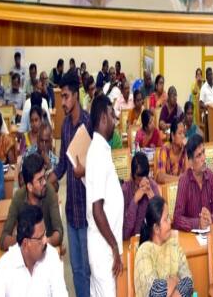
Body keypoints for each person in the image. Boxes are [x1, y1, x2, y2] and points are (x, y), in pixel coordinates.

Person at [49, 71, 90, 297]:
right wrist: (47, 180)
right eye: (61, 97)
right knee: (75, 270)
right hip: (71, 212)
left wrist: (86, 170)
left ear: (75, 95)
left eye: (65, 96)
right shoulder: (64, 126)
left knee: (88, 269)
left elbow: (100, 167)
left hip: (88, 213)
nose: (62, 102)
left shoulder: (89, 124)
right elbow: (63, 166)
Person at [86, 95, 124, 295]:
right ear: (102, 118)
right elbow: (97, 209)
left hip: (103, 246)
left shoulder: (101, 149)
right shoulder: (98, 153)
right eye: (112, 115)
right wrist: (115, 246)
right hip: (104, 248)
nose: (115, 121)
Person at [0, 205, 68, 296]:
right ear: (25, 243)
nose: (45, 240)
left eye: (45, 234)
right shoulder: (5, 265)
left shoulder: (51, 256)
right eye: (40, 238)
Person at [0, 153, 63, 250]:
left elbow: (59, 232)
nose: (45, 182)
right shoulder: (18, 197)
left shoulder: (49, 192)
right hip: (25, 253)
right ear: (29, 186)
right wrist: (25, 242)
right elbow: (4, 239)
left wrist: (45, 241)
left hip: (47, 250)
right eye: (40, 180)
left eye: (44, 177)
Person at [134, 196, 194, 297]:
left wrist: (171, 289)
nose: (170, 221)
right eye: (166, 219)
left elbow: (188, 282)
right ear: (156, 228)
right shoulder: (144, 251)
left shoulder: (174, 245)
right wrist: (174, 280)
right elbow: (155, 293)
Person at [173, 135, 213, 231]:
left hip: (208, 233)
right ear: (191, 162)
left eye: (203, 153)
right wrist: (197, 223)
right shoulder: (184, 181)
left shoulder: (211, 176)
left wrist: (211, 218)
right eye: (198, 156)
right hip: (191, 236)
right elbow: (177, 219)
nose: (204, 158)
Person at [123, 152, 160, 241]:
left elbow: (160, 222)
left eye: (145, 177)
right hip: (130, 241)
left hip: (150, 240)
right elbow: (125, 232)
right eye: (139, 179)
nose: (142, 182)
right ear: (132, 176)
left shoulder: (152, 186)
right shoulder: (125, 189)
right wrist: (135, 200)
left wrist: (152, 198)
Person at [155, 120, 187, 184]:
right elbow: (160, 177)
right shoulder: (165, 150)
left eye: (184, 133)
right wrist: (180, 180)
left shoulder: (185, 150)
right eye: (180, 133)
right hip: (166, 190)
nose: (183, 136)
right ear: (172, 136)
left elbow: (189, 176)